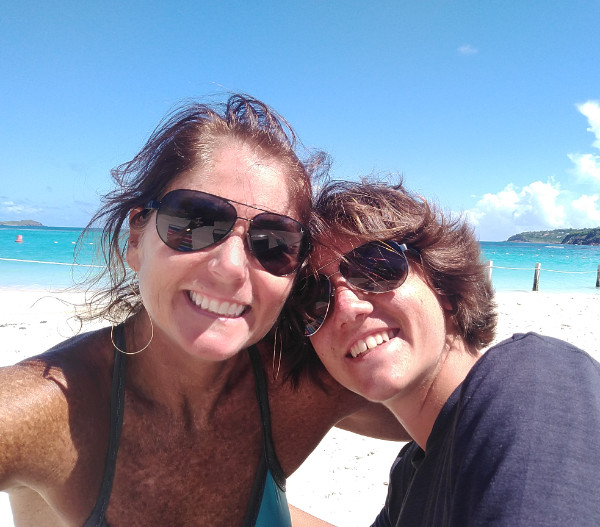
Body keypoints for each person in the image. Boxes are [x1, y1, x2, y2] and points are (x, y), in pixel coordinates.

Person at [0, 96, 405, 527]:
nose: (230, 268)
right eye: (195, 222)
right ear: (136, 240)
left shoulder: (296, 388)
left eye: (274, 242)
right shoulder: (51, 410)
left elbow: (456, 417)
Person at [287, 179, 600, 526]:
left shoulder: (533, 381)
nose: (346, 308)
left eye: (375, 267)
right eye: (312, 297)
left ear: (444, 286)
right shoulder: (413, 474)